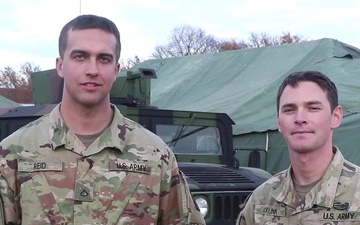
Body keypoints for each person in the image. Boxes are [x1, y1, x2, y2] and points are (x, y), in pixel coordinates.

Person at [0, 14, 205, 225]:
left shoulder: (155, 155)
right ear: (60, 66)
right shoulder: (12, 154)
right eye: (80, 56)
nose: (92, 70)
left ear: (116, 70)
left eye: (104, 59)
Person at [236, 71, 360, 224]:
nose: (300, 119)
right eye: (289, 110)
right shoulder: (261, 199)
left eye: (313, 108)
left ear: (336, 117)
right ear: (279, 122)